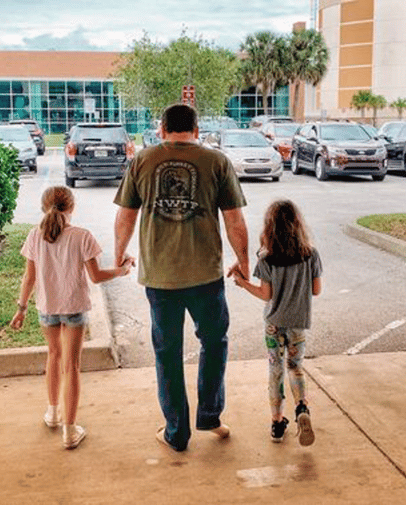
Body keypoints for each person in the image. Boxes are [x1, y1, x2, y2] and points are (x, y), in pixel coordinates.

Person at [113, 104, 249, 452]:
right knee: (215, 342)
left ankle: (177, 433)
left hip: (160, 277)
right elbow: (234, 220)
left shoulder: (142, 160)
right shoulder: (217, 162)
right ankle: (209, 415)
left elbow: (126, 217)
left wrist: (119, 254)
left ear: (162, 128)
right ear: (196, 128)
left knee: (168, 354)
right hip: (206, 275)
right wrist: (243, 261)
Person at [10, 186, 133, 449]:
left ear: (45, 207)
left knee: (53, 355)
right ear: (72, 207)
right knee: (72, 366)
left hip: (47, 308)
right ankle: (69, 430)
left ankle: (53, 413)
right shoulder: (82, 236)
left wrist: (21, 309)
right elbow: (96, 277)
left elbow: (29, 278)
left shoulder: (34, 236)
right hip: (75, 308)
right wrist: (122, 271)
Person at [230, 199, 322, 446]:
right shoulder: (310, 253)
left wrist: (242, 282)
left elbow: (265, 295)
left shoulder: (267, 259)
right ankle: (302, 408)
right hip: (298, 322)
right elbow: (316, 290)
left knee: (275, 371)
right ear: (297, 224)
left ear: (269, 227)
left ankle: (277, 424)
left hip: (273, 324)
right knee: (295, 367)